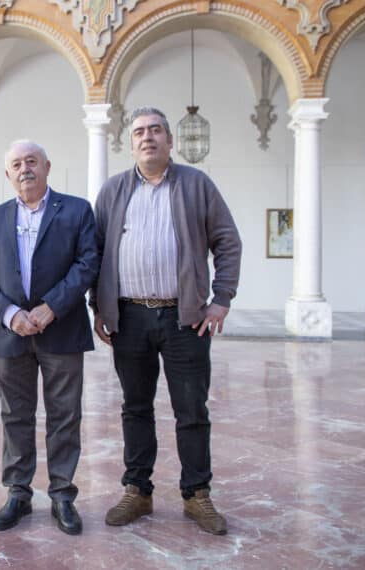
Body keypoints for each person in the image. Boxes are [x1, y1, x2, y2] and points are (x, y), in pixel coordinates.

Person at [91, 107, 242, 535]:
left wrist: (221, 299)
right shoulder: (114, 190)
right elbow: (97, 253)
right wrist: (97, 306)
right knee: (135, 408)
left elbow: (227, 241)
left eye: (156, 130)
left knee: (191, 410)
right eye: (139, 131)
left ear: (170, 140)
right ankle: (137, 491)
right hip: (130, 317)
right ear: (130, 142)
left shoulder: (196, 184)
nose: (147, 137)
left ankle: (197, 495)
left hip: (185, 318)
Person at [0, 140, 99, 535]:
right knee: (15, 414)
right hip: (12, 334)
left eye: (32, 161)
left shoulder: (77, 210)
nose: (25, 168)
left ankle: (62, 494)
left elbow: (88, 263)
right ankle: (18, 492)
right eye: (16, 164)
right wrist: (11, 314)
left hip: (61, 329)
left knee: (64, 414)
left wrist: (52, 306)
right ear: (7, 174)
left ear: (47, 166)